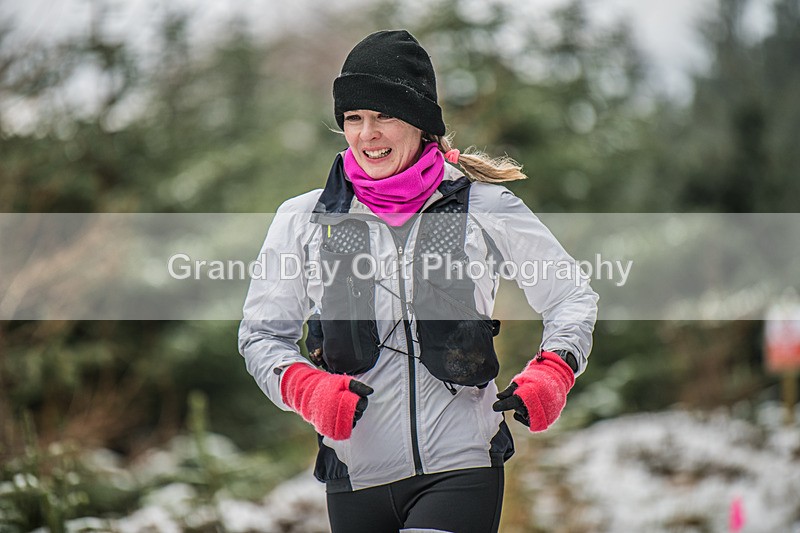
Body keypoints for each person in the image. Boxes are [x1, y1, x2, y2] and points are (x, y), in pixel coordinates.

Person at [238, 29, 598, 533]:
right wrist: (306, 387)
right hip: (354, 474)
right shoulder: (306, 219)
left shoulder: (482, 208)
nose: (368, 134)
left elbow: (570, 297)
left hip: (461, 467)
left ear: (422, 122)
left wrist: (555, 370)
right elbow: (260, 336)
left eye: (385, 115)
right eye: (354, 119)